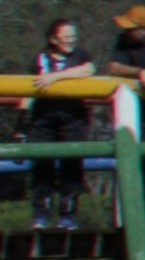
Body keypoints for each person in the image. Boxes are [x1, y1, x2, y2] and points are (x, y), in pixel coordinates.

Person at [18, 16, 94, 234]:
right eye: (66, 37)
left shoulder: (80, 56)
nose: (71, 40)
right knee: (42, 167)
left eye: (73, 36)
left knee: (71, 168)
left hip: (73, 119)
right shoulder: (41, 58)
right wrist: (21, 124)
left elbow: (88, 70)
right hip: (43, 119)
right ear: (53, 39)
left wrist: (55, 77)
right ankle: (41, 216)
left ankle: (68, 216)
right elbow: (30, 88)